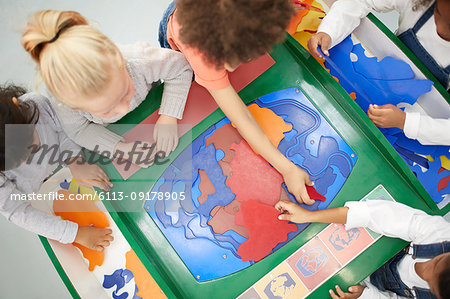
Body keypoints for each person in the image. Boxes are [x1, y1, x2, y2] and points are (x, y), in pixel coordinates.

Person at [158, 0, 314, 204]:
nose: (230, 70)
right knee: (177, 67)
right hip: (179, 22)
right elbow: (242, 117)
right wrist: (287, 168)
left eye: (245, 58)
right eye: (224, 61)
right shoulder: (199, 51)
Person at [22, 10, 193, 166]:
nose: (124, 107)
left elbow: (181, 67)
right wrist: (120, 149)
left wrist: (169, 115)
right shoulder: (65, 104)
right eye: (106, 110)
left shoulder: (139, 60)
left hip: (154, 103)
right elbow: (79, 130)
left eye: (125, 92)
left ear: (118, 58)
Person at [307, 0, 450, 146]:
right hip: (380, 76)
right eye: (437, 12)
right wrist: (329, 31)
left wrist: (406, 122)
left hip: (423, 113)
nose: (440, 25)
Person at [0, 84, 113, 251]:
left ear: (17, 107)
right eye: (16, 161)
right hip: (39, 193)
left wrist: (75, 161)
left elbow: (66, 129)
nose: (27, 157)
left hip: (65, 169)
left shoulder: (39, 106)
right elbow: (18, 212)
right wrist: (76, 234)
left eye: (28, 143)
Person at [275, 199, 450, 299]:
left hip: (365, 283)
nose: (425, 272)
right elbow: (376, 215)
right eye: (437, 262)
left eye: (431, 284)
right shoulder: (442, 235)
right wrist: (309, 216)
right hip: (374, 244)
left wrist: (364, 295)